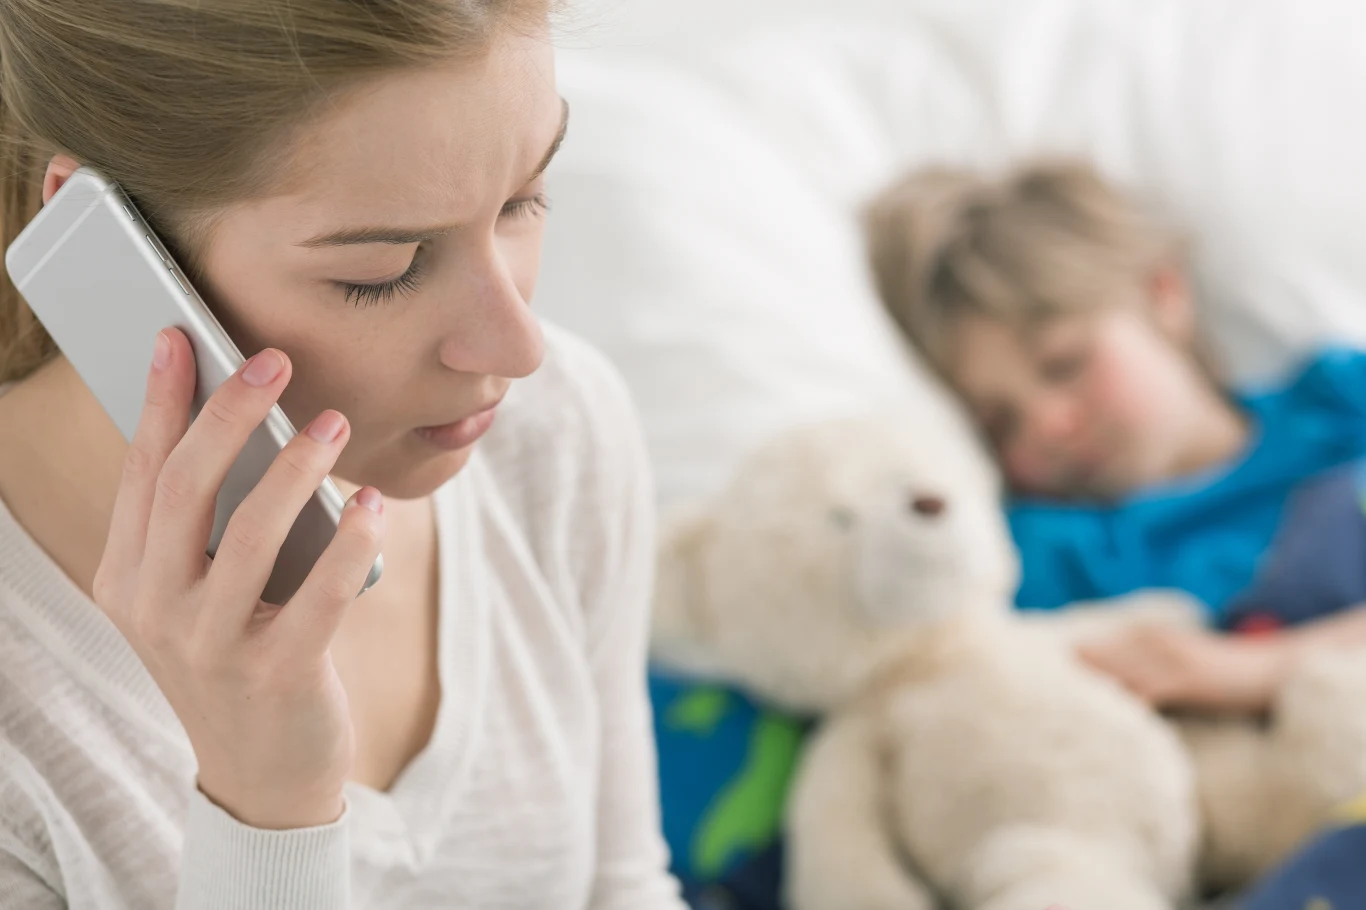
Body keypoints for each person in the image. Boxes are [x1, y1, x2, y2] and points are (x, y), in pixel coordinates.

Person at [0, 2, 684, 908]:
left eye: (523, 199)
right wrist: (267, 811)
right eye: (385, 270)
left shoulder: (556, 433)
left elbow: (625, 889)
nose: (520, 350)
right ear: (102, 242)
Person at [864, 158, 1366, 711]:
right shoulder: (1051, 556)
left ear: (1162, 293)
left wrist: (1258, 671)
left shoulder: (1343, 401)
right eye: (999, 423)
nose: (1048, 426)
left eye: (1064, 365)